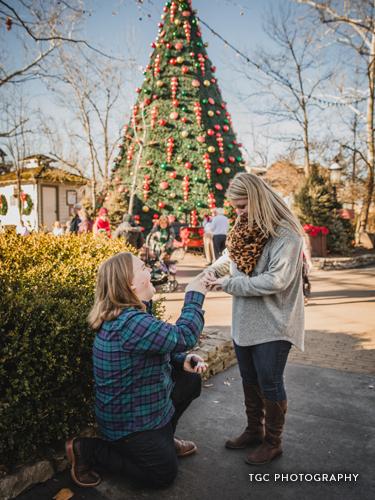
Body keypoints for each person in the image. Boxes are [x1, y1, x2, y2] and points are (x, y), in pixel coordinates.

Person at [65, 252, 208, 488]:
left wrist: (180, 359)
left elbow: (157, 347)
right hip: (129, 424)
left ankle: (164, 440)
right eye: (143, 267)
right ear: (129, 283)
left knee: (190, 379)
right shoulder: (130, 321)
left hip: (146, 408)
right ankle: (87, 450)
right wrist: (195, 294)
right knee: (162, 475)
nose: (150, 271)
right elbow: (184, 335)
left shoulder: (135, 314)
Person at [202, 172, 304, 465]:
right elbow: (231, 258)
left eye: (243, 206)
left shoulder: (287, 234)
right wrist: (212, 271)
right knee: (249, 379)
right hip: (245, 321)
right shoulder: (245, 226)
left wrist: (228, 284)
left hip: (276, 322)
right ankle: (253, 430)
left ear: (259, 200)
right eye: (235, 207)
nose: (239, 213)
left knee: (270, 382)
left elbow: (277, 280)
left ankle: (273, 442)